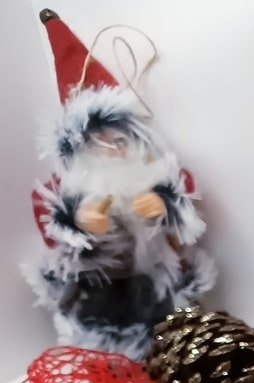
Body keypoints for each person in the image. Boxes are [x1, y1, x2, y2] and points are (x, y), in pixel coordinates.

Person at [23, 9, 215, 360]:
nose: (111, 150)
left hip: (155, 279)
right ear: (77, 147)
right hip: (97, 288)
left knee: (170, 329)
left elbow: (185, 195)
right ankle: (107, 375)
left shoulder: (154, 172)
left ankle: (169, 362)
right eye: (99, 143)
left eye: (119, 139)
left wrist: (162, 204)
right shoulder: (64, 186)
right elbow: (49, 221)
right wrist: (80, 220)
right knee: (100, 339)